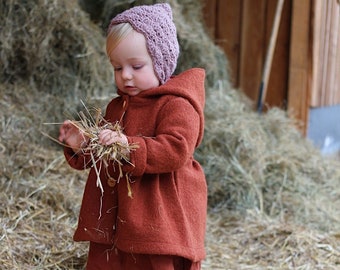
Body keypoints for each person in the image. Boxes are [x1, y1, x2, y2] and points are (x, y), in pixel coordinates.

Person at [59, 3, 207, 270]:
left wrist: (129, 147)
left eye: (136, 66)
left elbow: (177, 149)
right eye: (117, 68)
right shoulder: (118, 106)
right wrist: (83, 145)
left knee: (153, 261)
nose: (125, 75)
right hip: (117, 215)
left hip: (158, 215)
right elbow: (106, 151)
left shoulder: (176, 104)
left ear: (160, 61)